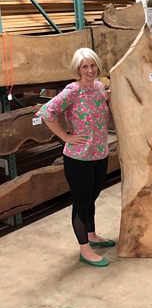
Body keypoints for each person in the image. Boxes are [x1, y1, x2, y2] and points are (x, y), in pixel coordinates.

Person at [37, 48, 114, 267]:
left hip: (100, 153)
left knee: (92, 198)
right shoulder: (73, 90)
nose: (90, 71)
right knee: (81, 203)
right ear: (77, 70)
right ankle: (85, 250)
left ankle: (91, 235)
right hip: (78, 158)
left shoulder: (100, 88)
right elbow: (46, 112)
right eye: (84, 67)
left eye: (92, 66)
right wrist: (65, 137)